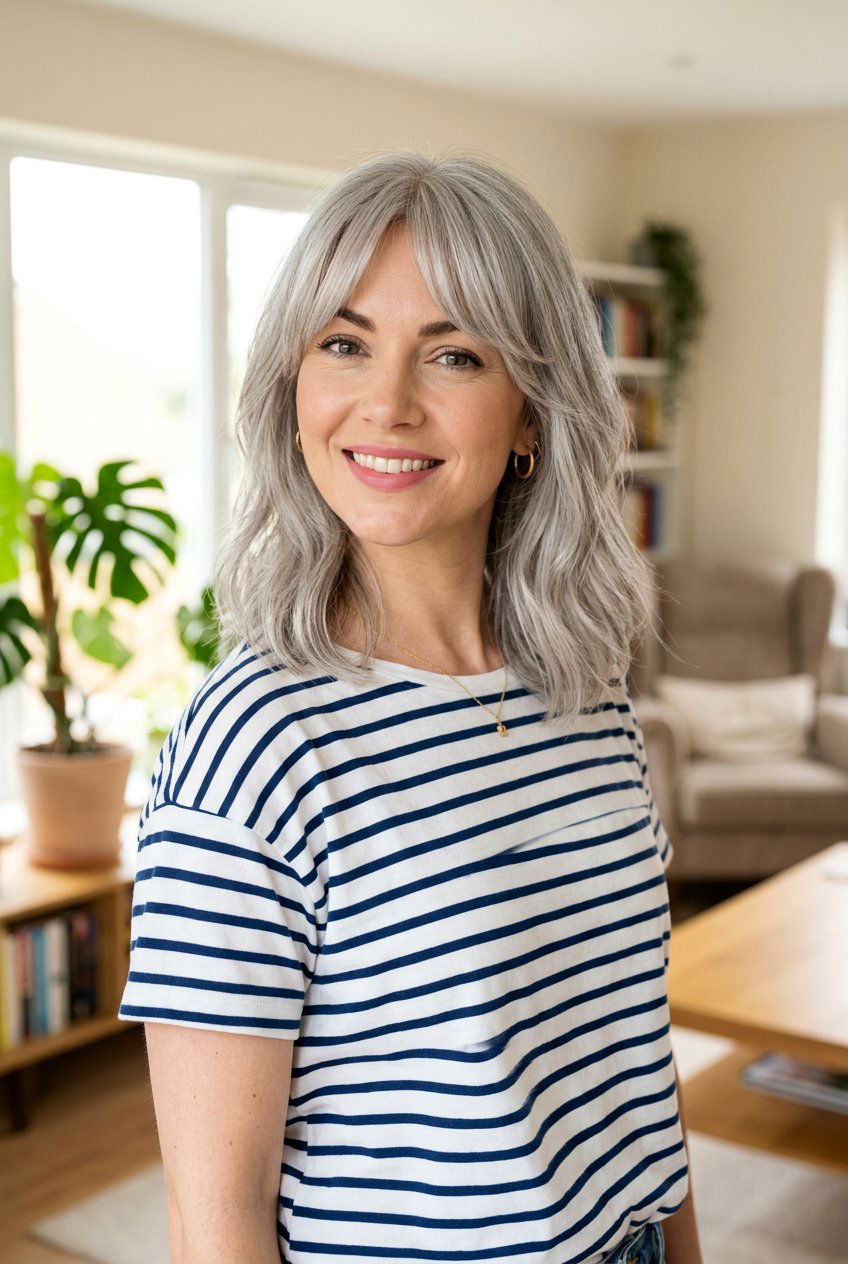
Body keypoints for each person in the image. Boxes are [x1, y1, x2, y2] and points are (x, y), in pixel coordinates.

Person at [118, 149, 702, 1264]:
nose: (384, 402)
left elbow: (633, 1057)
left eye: (452, 354)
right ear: (292, 382)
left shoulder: (584, 690)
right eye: (343, 343)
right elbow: (214, 1219)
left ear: (532, 412)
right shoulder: (256, 742)